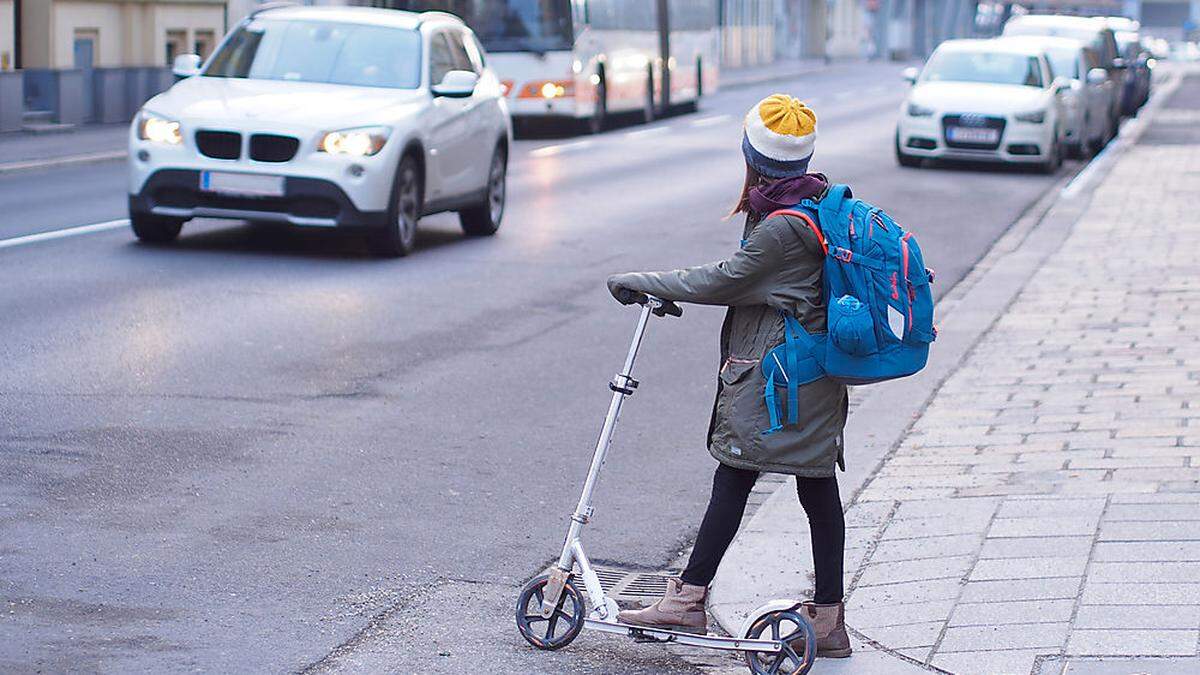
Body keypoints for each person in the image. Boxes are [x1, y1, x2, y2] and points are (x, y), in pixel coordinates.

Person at [606, 94, 851, 658]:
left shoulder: (781, 227)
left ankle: (688, 600)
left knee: (736, 472)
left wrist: (641, 280)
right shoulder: (810, 202)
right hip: (809, 372)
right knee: (813, 485)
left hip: (782, 376)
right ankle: (831, 618)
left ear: (752, 156)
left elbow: (723, 281)